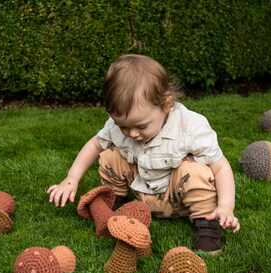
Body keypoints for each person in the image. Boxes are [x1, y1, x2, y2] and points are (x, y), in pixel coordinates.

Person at [48, 54, 240, 254]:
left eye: (141, 126)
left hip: (178, 196)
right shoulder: (119, 127)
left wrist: (226, 206)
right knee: (110, 156)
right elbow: (95, 144)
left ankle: (208, 226)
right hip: (141, 190)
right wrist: (71, 178)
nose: (132, 134)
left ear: (166, 103)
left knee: (197, 172)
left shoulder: (190, 127)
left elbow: (221, 167)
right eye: (123, 126)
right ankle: (115, 204)